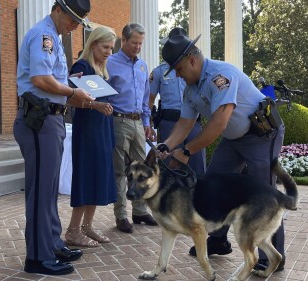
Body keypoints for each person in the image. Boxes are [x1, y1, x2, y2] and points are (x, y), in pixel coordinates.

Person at [158, 31, 287, 272]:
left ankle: (272, 258)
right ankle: (218, 240)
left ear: (192, 60)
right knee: (213, 183)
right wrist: (166, 145)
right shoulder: (190, 89)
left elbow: (219, 122)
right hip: (233, 139)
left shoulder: (221, 75)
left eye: (177, 67)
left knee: (264, 194)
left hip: (261, 135)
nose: (176, 73)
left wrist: (186, 151)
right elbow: (184, 124)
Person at [13, 0, 95, 275]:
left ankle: (51, 242)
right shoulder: (44, 35)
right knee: (40, 192)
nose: (74, 26)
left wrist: (71, 84)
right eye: (72, 19)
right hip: (39, 119)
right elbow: (40, 79)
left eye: (78, 22)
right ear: (57, 9)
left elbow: (52, 80)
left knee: (49, 190)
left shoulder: (55, 37)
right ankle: (37, 256)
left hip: (51, 118)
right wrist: (73, 93)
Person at [64, 26, 116, 247]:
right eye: (105, 47)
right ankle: (73, 230)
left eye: (112, 48)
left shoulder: (101, 69)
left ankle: (87, 226)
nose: (109, 52)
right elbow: (69, 98)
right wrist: (94, 105)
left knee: (97, 176)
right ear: (93, 43)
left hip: (103, 129)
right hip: (88, 132)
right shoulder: (81, 66)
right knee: (86, 176)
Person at [106, 23, 157, 233]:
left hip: (138, 122)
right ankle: (121, 215)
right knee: (120, 170)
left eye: (140, 43)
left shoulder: (143, 66)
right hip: (118, 121)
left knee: (142, 168)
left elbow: (146, 98)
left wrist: (146, 123)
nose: (137, 47)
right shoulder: (110, 63)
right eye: (134, 42)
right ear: (123, 40)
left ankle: (140, 210)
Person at [149, 27, 206, 177]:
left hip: (193, 122)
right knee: (170, 167)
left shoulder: (198, 69)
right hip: (169, 122)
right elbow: (149, 99)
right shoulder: (158, 72)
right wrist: (147, 123)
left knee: (197, 166)